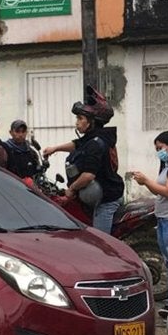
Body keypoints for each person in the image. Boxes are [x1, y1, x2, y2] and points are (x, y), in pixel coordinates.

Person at [42, 89, 124, 233]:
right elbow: (77, 144)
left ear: (91, 122)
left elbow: (88, 176)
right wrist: (55, 148)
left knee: (101, 242)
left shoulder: (95, 144)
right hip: (107, 192)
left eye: (80, 118)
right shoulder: (97, 137)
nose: (77, 122)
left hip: (106, 200)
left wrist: (71, 189)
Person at [130, 131, 168, 313]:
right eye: (157, 149)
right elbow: (161, 191)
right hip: (165, 219)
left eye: (161, 147)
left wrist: (146, 180)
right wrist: (146, 182)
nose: (159, 152)